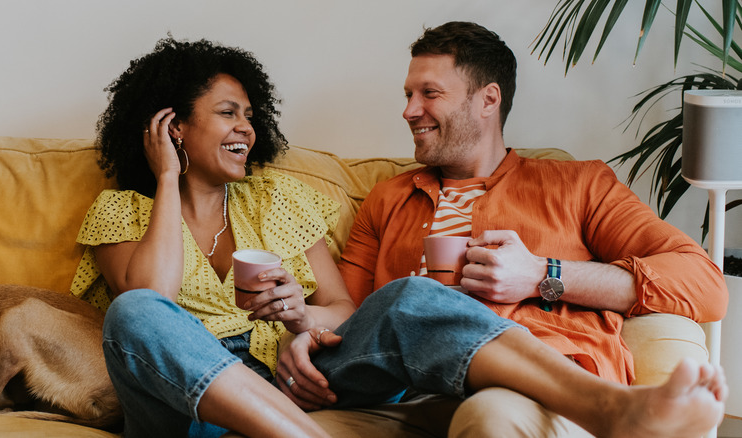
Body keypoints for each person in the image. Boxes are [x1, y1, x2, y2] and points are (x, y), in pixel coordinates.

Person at [71, 36, 726, 438]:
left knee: (413, 297)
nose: (245, 126)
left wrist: (299, 318)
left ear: (487, 98)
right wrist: (166, 180)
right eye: (226, 113)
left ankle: (610, 409)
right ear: (172, 126)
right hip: (205, 393)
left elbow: (346, 311)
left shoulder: (280, 197)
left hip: (316, 372)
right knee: (133, 312)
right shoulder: (123, 210)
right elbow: (154, 300)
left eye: (248, 113)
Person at [280, 21, 729, 437]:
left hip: (527, 390)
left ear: (488, 99)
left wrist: (543, 274)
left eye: (429, 93)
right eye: (408, 94)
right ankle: (612, 408)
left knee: (491, 418)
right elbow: (353, 317)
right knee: (405, 301)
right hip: (400, 390)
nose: (409, 111)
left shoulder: (578, 185)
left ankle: (605, 406)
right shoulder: (387, 199)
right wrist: (303, 336)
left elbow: (704, 284)